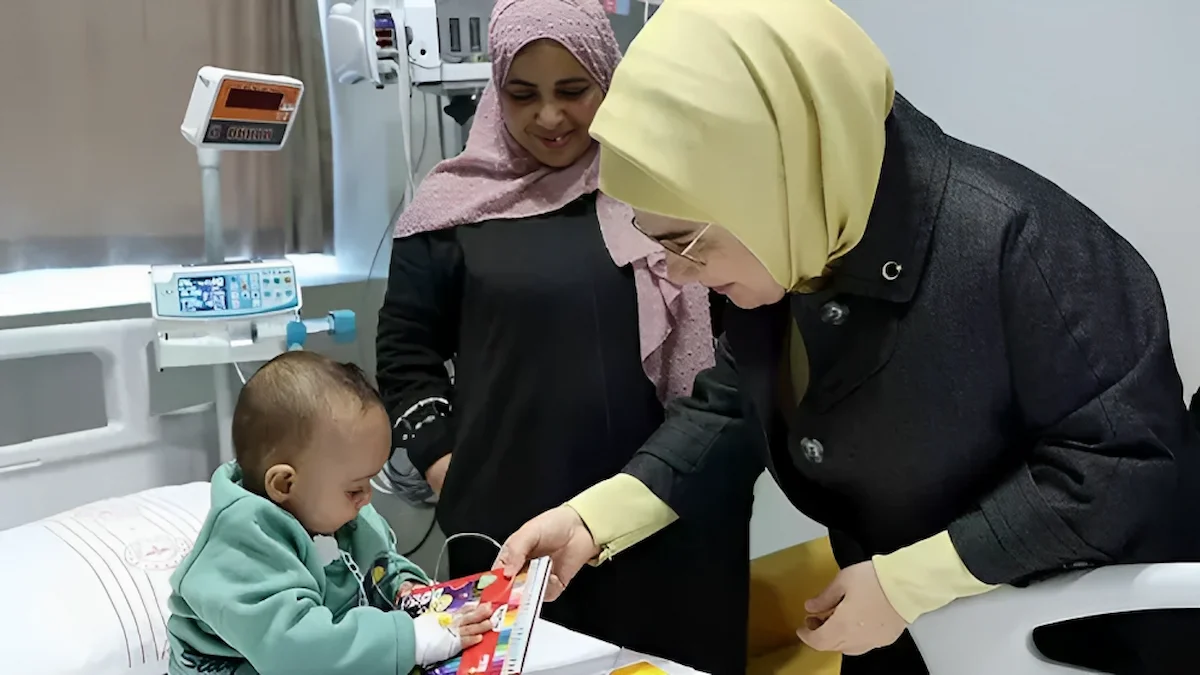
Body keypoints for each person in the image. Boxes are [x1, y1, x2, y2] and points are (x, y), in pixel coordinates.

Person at [495, 1, 1200, 673]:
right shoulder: (801, 229)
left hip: (1059, 636)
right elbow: (737, 398)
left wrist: (913, 581)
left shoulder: (1023, 245)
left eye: (687, 241)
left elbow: (1124, 462)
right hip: (898, 625)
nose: (678, 272)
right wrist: (593, 520)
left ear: (764, 180)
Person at [374, 0, 758, 673]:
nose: (549, 117)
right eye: (523, 95)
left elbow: (736, 351)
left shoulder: (666, 192)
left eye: (573, 90)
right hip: (513, 529)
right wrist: (446, 463)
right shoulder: (450, 211)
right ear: (496, 90)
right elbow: (405, 356)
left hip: (669, 511)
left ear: (609, 81)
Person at [166, 351, 494, 675]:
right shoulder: (241, 553)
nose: (366, 497)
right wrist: (412, 640)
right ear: (284, 483)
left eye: (369, 481)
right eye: (354, 488)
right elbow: (296, 652)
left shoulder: (341, 516)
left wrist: (407, 589)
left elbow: (380, 564)